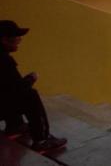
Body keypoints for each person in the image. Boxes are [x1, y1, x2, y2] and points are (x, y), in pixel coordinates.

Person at [0, 20, 67, 152]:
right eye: (17, 36)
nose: (20, 39)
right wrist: (31, 78)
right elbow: (17, 89)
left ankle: (15, 125)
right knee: (30, 95)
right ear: (4, 40)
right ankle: (42, 139)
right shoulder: (4, 60)